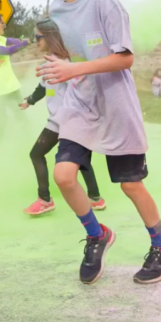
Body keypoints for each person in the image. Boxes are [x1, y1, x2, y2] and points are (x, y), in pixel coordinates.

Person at [37, 0, 161, 285]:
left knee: (130, 185)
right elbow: (66, 55)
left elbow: (125, 58)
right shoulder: (55, 9)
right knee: (63, 176)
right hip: (80, 104)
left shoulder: (104, 1)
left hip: (115, 105)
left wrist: (73, 68)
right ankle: (97, 234)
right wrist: (56, 66)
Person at [20, 18, 105, 216]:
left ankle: (45, 200)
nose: (35, 41)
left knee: (36, 154)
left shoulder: (67, 64)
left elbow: (83, 91)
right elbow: (43, 87)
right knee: (79, 159)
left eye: (38, 37)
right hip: (66, 120)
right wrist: (30, 100)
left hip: (63, 120)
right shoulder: (49, 62)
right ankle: (96, 198)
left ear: (49, 37)